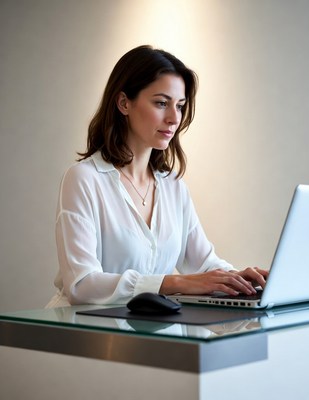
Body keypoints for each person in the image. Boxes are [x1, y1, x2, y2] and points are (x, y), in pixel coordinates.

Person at [47, 45, 268, 308]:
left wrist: (240, 279)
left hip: (145, 332)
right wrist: (174, 283)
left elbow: (204, 263)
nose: (174, 118)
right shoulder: (83, 179)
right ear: (124, 103)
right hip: (78, 334)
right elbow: (82, 285)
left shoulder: (173, 186)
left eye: (181, 105)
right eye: (161, 103)